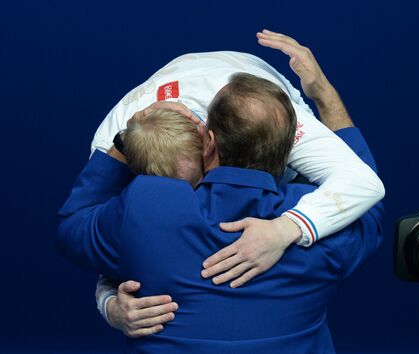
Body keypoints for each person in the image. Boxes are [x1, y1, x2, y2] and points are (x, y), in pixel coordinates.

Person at [56, 33, 384, 353]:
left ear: (207, 141)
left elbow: (73, 229)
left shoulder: (147, 205)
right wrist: (324, 95)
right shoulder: (320, 228)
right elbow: (367, 202)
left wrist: (124, 143)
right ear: (289, 155)